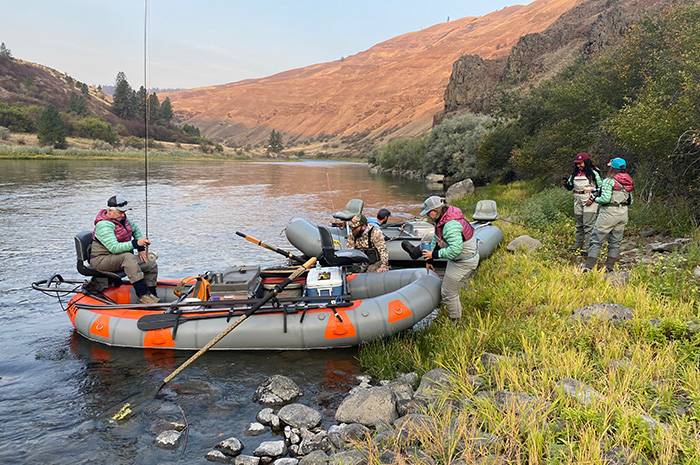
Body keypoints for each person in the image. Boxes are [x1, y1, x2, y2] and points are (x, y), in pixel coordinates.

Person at [90, 195, 160, 304]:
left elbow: (135, 230)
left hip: (118, 258)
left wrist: (141, 249)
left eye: (124, 212)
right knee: (127, 257)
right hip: (101, 259)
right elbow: (114, 248)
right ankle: (143, 295)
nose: (123, 215)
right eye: (120, 212)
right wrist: (136, 243)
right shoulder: (104, 225)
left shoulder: (123, 219)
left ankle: (152, 294)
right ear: (110, 211)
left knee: (150, 263)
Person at [420, 196, 478, 321]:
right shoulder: (443, 218)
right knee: (450, 290)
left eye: (428, 214)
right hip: (457, 260)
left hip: (464, 262)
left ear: (434, 211)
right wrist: (430, 260)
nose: (427, 217)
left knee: (448, 293)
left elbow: (455, 250)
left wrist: (435, 255)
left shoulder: (450, 225)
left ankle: (456, 322)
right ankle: (453, 309)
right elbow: (436, 238)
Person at [584, 158, 634, 272]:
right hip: (623, 213)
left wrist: (595, 198)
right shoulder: (629, 181)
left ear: (613, 167)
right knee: (615, 242)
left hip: (608, 213)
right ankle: (609, 268)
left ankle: (588, 268)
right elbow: (631, 201)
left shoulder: (609, 181)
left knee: (596, 240)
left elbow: (605, 199)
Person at [564, 152, 602, 256]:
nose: (579, 165)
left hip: (589, 199)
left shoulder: (594, 172)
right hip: (577, 200)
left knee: (588, 225)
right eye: (577, 164)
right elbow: (570, 187)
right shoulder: (574, 174)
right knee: (579, 225)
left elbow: (600, 187)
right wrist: (566, 184)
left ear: (586, 162)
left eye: (581, 163)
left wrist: (593, 198)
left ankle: (589, 247)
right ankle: (578, 245)